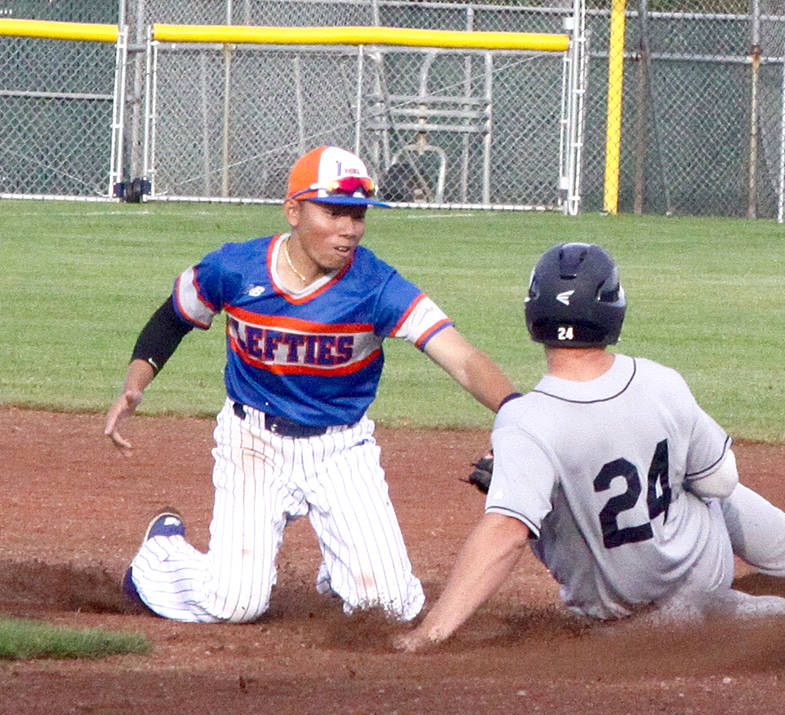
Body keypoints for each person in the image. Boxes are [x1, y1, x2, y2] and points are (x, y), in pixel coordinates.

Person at [105, 145, 518, 623]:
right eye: (334, 213)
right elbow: (173, 316)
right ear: (293, 210)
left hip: (341, 448)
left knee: (388, 610)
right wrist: (136, 383)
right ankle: (162, 554)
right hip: (253, 443)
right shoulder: (235, 269)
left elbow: (462, 358)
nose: (349, 230)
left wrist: (518, 413)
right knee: (234, 603)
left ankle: (344, 566)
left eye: (357, 216)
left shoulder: (377, 286)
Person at [394, 242, 785, 651]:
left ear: (534, 314)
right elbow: (721, 479)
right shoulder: (660, 382)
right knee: (716, 494)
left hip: (631, 621)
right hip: (699, 580)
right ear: (613, 310)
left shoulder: (525, 421)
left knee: (544, 510)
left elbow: (506, 534)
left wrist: (431, 632)